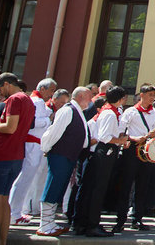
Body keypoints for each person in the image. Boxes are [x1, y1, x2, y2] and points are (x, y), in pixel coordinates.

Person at [0, 72, 35, 245]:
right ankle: (1, 241)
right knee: (3, 199)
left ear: (7, 84)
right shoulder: (28, 99)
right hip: (16, 155)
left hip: (2, 155)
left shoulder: (14, 100)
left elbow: (10, 127)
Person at [36, 86, 91, 237]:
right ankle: (44, 225)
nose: (90, 100)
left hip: (68, 155)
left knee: (59, 187)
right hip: (60, 154)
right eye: (88, 97)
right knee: (53, 186)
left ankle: (50, 222)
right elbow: (54, 132)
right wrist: (47, 148)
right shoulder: (67, 111)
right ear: (80, 97)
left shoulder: (76, 111)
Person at [76, 85, 129, 237]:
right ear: (119, 99)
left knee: (93, 188)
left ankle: (86, 222)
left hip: (103, 152)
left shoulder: (109, 111)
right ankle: (92, 224)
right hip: (105, 152)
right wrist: (121, 140)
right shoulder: (110, 114)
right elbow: (105, 137)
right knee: (98, 189)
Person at [113, 83, 155, 232]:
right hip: (132, 150)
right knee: (126, 185)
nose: (152, 98)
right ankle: (120, 220)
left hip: (146, 150)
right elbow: (121, 132)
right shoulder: (130, 112)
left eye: (153, 95)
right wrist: (134, 138)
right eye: (149, 95)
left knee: (142, 186)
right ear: (142, 95)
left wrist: (152, 135)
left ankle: (137, 219)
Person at [8, 77, 56, 225]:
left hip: (35, 145)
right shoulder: (36, 101)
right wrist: (48, 120)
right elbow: (31, 123)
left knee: (26, 179)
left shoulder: (38, 102)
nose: (52, 94)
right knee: (23, 179)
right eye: (51, 90)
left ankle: (17, 211)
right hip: (31, 145)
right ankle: (13, 213)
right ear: (42, 89)